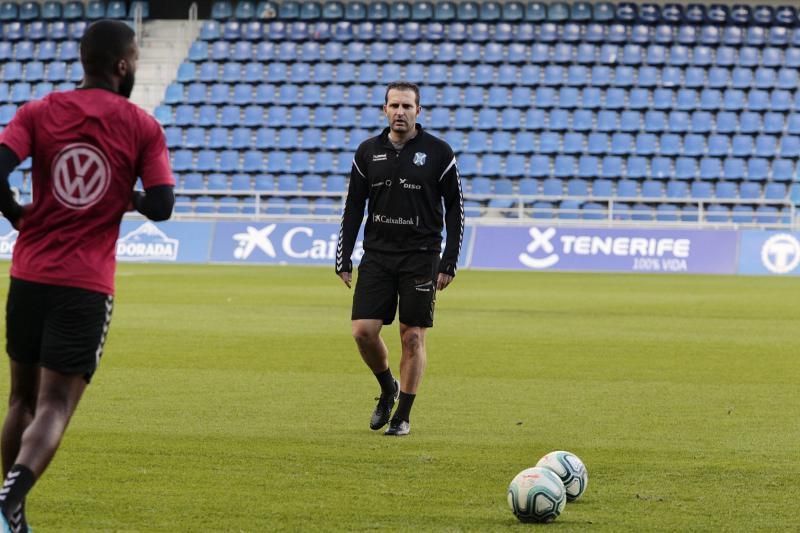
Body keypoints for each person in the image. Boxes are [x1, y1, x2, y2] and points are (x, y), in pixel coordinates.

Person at [0, 20, 175, 532]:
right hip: (85, 283)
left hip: (29, 273)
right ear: (123, 65)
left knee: (20, 399)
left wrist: (15, 214)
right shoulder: (142, 126)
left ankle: (12, 512)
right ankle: (10, 501)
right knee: (55, 405)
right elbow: (162, 205)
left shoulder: (39, 111)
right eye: (137, 59)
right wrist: (130, 198)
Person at [336, 81, 464, 437]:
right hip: (377, 255)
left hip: (420, 256)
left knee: (412, 337)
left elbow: (455, 208)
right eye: (394, 105)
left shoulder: (438, 153)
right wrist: (343, 256)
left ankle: (402, 415)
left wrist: (449, 259)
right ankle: (388, 386)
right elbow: (352, 208)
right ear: (385, 109)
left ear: (418, 111)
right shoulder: (367, 152)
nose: (400, 112)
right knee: (363, 331)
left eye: (407, 106)